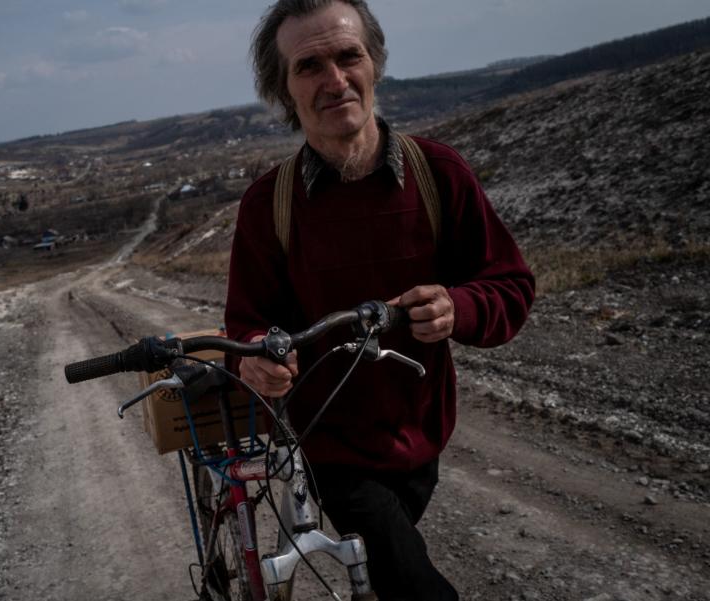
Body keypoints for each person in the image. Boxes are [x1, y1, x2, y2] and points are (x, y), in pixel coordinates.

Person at [224, 1, 535, 599]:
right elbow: (247, 321)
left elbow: (510, 286)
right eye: (309, 66)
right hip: (328, 443)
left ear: (375, 64)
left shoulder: (440, 173)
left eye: (349, 56)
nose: (334, 80)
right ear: (283, 90)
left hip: (424, 432)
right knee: (413, 582)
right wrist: (257, 356)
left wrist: (458, 308)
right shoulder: (270, 205)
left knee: (385, 567)